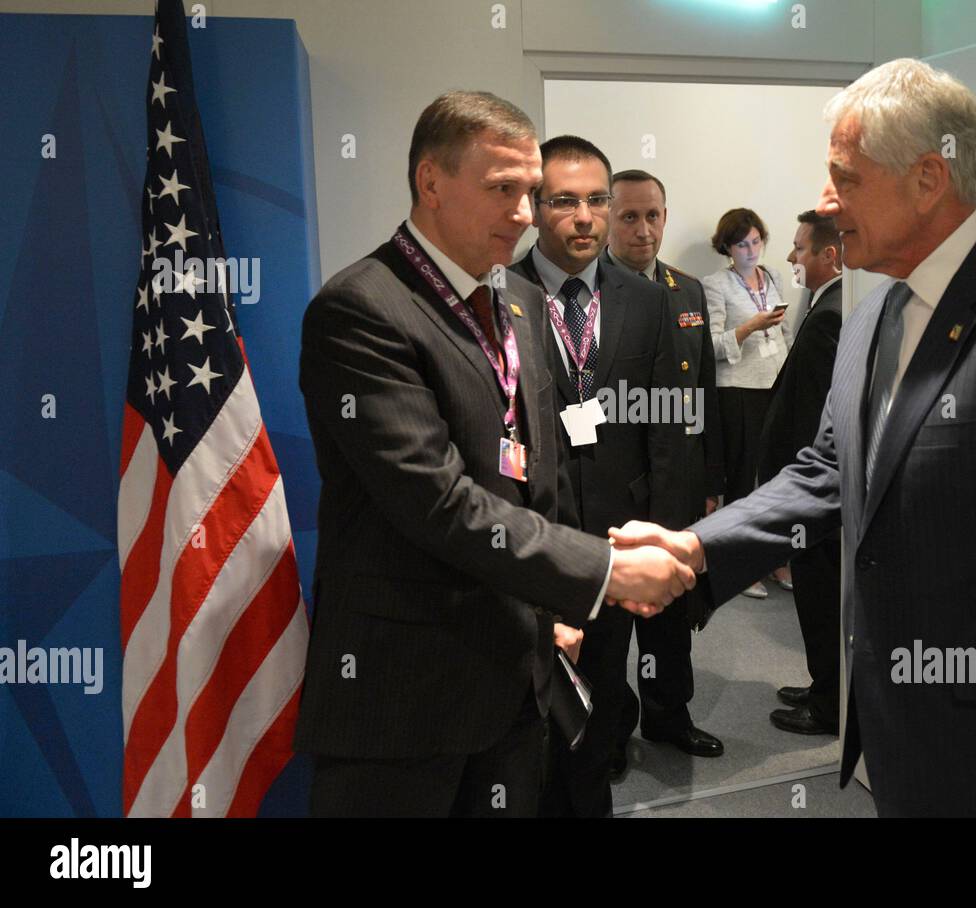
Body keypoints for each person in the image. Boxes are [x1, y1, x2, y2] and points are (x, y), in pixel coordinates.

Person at [610, 58, 976, 818]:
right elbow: (827, 473)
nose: (827, 204)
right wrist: (696, 548)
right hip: (900, 743)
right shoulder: (873, 318)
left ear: (929, 178)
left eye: (846, 179)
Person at [294, 92, 693, 819]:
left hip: (515, 672)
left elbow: (532, 480)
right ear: (431, 181)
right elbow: (439, 503)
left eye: (529, 191)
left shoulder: (515, 300)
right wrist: (599, 572)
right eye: (502, 189)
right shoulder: (362, 311)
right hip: (407, 695)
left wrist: (543, 609)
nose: (523, 212)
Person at [509, 136, 703, 816]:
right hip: (525, 548)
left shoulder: (645, 303)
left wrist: (663, 535)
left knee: (596, 715)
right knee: (525, 725)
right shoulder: (498, 296)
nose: (585, 216)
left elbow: (668, 433)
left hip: (615, 545)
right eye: (565, 201)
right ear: (534, 208)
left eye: (597, 200)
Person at [602, 168, 726, 774]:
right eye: (629, 216)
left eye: (653, 216)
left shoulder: (687, 291)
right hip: (610, 487)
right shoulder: (585, 298)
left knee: (673, 616)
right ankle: (610, 729)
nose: (643, 230)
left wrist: (710, 481)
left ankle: (670, 716)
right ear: (606, 219)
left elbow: (703, 390)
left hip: (676, 480)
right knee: (607, 624)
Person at [756, 210, 844, 736]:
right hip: (809, 488)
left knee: (819, 596)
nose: (791, 257)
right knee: (814, 594)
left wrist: (798, 486)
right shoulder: (824, 304)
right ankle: (822, 685)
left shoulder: (832, 312)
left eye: (799, 248)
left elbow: (817, 418)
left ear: (829, 254)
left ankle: (830, 704)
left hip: (814, 493)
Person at [701, 208, 792, 599]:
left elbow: (785, 330)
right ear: (727, 247)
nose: (751, 250)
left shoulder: (771, 277)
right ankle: (738, 565)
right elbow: (711, 346)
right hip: (737, 389)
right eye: (742, 244)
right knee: (741, 480)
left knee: (776, 477)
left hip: (775, 383)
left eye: (756, 241)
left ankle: (772, 558)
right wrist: (751, 326)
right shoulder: (715, 284)